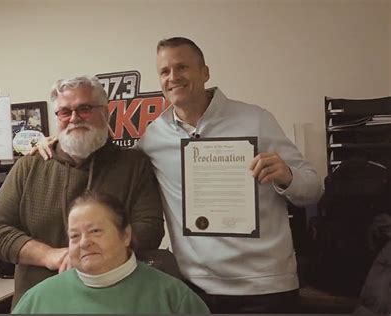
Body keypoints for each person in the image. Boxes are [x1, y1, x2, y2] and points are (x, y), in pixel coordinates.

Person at [33, 38, 323, 313]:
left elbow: (313, 189)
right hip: (194, 289)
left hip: (266, 287)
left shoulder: (256, 119)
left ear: (205, 72)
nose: (173, 76)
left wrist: (286, 176)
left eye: (182, 67)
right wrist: (61, 140)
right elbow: (104, 155)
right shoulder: (154, 137)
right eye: (164, 71)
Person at [0, 76, 164, 307]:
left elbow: (150, 229)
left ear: (105, 113)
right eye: (65, 112)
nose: (75, 118)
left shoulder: (134, 165)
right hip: (40, 305)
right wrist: (53, 256)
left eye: (85, 109)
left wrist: (90, 254)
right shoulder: (29, 166)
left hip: (117, 303)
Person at [12, 191, 209, 314]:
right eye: (74, 236)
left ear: (126, 235)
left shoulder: (173, 298)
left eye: (95, 231)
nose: (84, 243)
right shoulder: (36, 301)